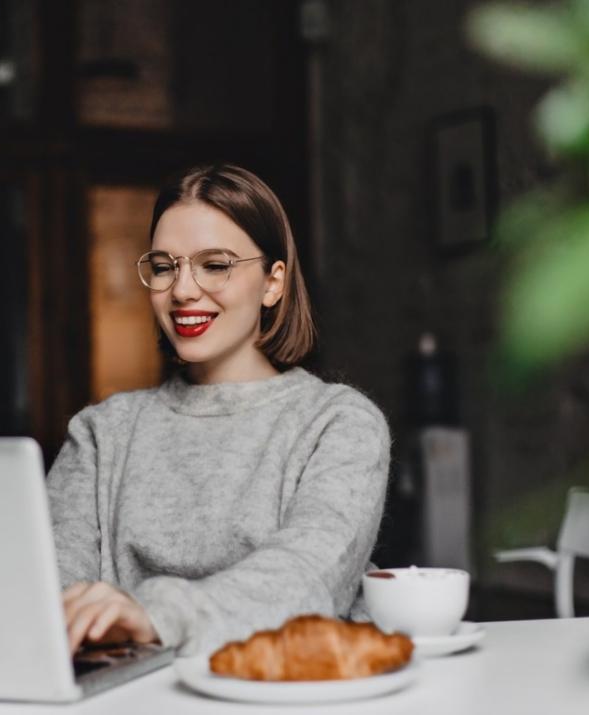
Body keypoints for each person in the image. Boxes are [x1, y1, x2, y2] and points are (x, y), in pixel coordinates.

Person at [47, 164, 391, 657]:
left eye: (215, 265)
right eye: (165, 267)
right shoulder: (102, 432)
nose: (183, 290)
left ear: (273, 283)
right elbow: (50, 593)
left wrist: (155, 615)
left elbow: (308, 575)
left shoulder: (338, 424)